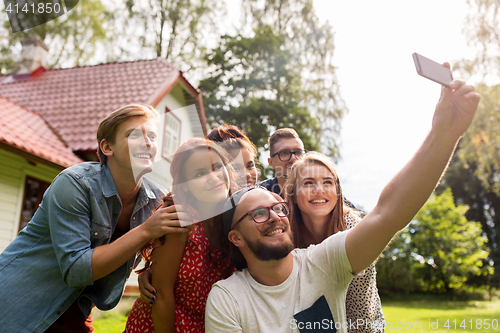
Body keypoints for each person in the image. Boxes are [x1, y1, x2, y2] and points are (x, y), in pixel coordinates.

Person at [205, 76, 481, 332]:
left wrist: (444, 135)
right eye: (260, 213)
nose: (276, 216)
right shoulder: (227, 299)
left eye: (279, 208)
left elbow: (387, 214)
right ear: (235, 237)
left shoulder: (323, 263)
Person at [0, 104, 186, 332]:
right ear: (108, 147)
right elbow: (77, 270)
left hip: (75, 311)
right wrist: (145, 231)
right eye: (134, 134)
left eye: (153, 136)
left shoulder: (155, 200)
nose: (148, 143)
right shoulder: (75, 183)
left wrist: (147, 273)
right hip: (17, 305)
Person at [124, 138, 238, 333]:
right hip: (162, 324)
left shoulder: (236, 215)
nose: (213, 177)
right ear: (184, 185)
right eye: (199, 174)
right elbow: (161, 295)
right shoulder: (180, 219)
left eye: (217, 167)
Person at [284, 151, 385, 332]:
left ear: (337, 192)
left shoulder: (353, 229)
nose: (319, 190)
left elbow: (360, 309)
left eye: (327, 182)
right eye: (308, 183)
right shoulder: (286, 235)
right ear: (294, 195)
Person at [258, 128, 306, 196]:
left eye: (298, 152)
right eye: (284, 153)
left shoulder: (317, 190)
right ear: (271, 163)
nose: (293, 158)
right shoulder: (259, 194)